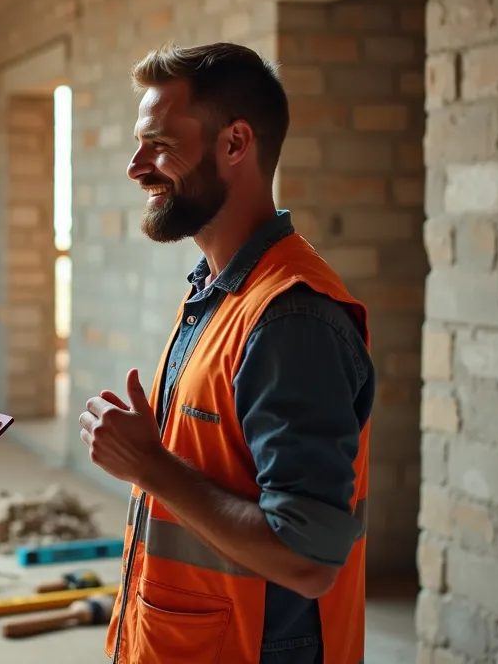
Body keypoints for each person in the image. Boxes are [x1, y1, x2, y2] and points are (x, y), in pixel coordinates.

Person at [78, 43, 375, 664]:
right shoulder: (217, 291)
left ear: (235, 143)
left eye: (158, 143)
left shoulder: (290, 317)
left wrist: (149, 466)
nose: (137, 167)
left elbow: (307, 559)